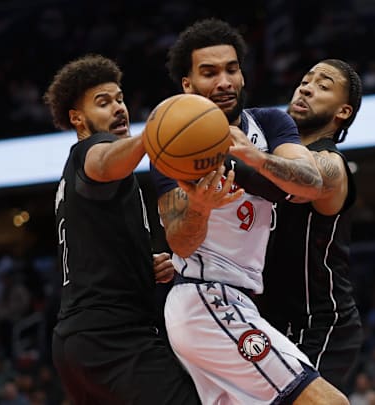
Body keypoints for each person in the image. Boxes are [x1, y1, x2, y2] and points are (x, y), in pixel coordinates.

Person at [151, 18, 349, 404]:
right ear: (188, 86)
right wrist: (201, 209)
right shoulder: (172, 149)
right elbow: (180, 241)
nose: (224, 81)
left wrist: (252, 157)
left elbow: (311, 183)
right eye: (209, 73)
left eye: (231, 69)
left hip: (240, 301)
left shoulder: (271, 123)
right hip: (204, 299)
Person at [44, 54, 199, 404]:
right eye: (103, 103)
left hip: (78, 339)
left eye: (119, 99)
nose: (118, 108)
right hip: (113, 338)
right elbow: (103, 163)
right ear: (77, 118)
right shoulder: (92, 151)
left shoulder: (78, 175)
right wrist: (151, 138)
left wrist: (144, 265)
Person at [253, 59, 364, 389]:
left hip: (319, 323)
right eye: (305, 80)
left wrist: (241, 153)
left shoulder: (331, 164)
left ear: (342, 111)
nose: (306, 87)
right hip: (267, 319)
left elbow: (308, 177)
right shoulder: (273, 152)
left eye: (323, 85)